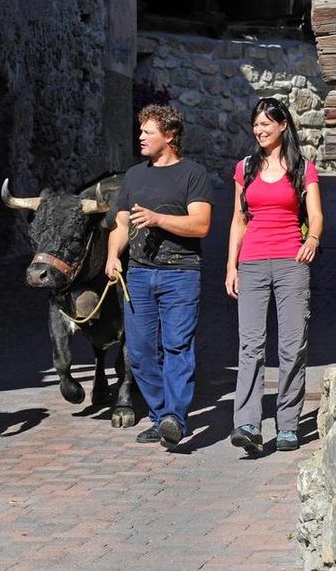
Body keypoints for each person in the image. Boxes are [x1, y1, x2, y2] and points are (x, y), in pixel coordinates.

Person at [105, 105, 213, 451]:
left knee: (177, 346)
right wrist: (113, 255)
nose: (140, 137)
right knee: (138, 353)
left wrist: (158, 219)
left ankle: (175, 419)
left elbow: (201, 224)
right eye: (141, 131)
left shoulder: (193, 174)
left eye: (147, 132)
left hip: (181, 274)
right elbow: (122, 223)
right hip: (137, 275)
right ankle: (161, 416)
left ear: (169, 135)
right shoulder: (134, 175)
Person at [225, 97, 323, 453]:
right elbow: (238, 220)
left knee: (292, 346)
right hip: (251, 263)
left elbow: (316, 215)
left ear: (283, 125)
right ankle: (247, 424)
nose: (259, 130)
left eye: (266, 123)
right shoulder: (245, 168)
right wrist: (231, 266)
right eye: (256, 124)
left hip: (290, 263)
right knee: (250, 346)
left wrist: (312, 239)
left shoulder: (303, 167)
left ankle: (288, 426)